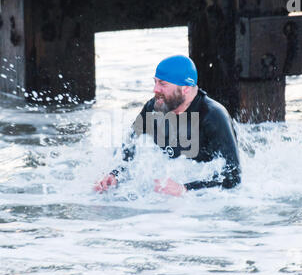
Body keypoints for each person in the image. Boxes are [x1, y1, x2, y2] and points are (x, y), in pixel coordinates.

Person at [94, 55, 241, 196]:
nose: (155, 90)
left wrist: (185, 189)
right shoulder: (153, 107)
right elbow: (129, 152)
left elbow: (233, 177)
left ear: (185, 88)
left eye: (163, 84)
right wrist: (115, 175)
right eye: (155, 82)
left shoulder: (213, 116)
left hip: (200, 204)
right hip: (162, 198)